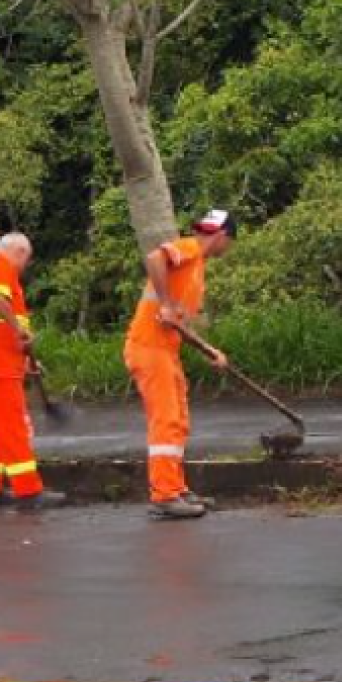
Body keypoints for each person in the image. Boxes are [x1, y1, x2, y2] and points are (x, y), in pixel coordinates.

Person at [124, 210, 236, 520]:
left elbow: (178, 323)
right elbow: (153, 258)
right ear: (222, 235)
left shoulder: (196, 268)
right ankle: (164, 496)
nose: (228, 250)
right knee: (166, 420)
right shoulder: (189, 248)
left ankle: (176, 487)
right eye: (231, 242)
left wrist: (208, 350)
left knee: (178, 420)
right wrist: (165, 303)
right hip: (148, 348)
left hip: (165, 351)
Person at [0, 232, 65, 510]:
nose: (24, 267)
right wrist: (20, 330)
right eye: (26, 260)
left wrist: (25, 360)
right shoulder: (1, 266)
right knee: (12, 427)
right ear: (18, 252)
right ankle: (29, 491)